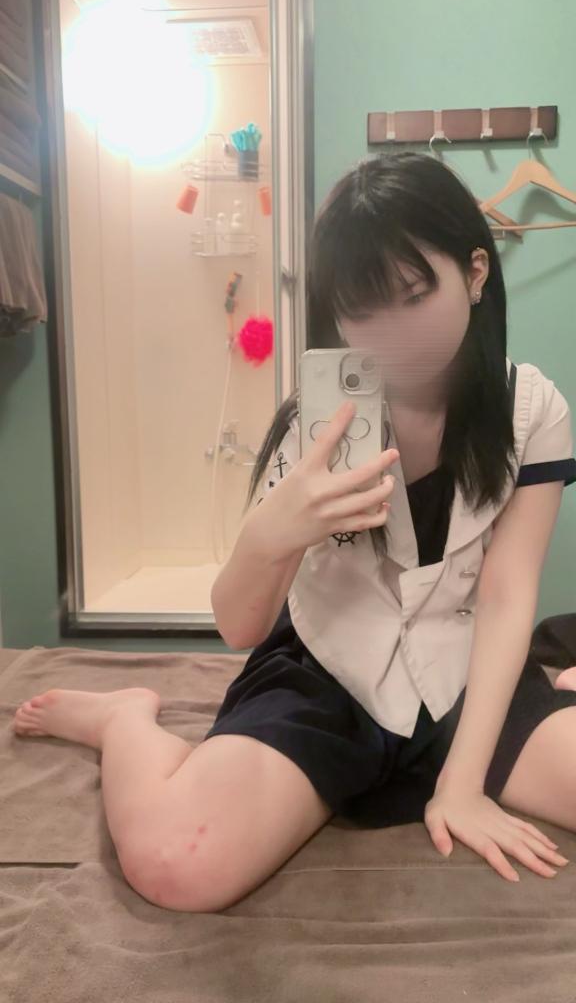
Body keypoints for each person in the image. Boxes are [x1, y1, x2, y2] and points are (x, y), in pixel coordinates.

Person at [13, 153, 576, 914]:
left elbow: (509, 597)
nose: (392, 339)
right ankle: (125, 720)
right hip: (329, 672)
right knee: (175, 862)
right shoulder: (316, 424)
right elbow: (240, 626)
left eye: (414, 297)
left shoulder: (531, 410)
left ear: (476, 274)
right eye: (361, 311)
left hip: (465, 675)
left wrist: (463, 785)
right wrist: (271, 534)